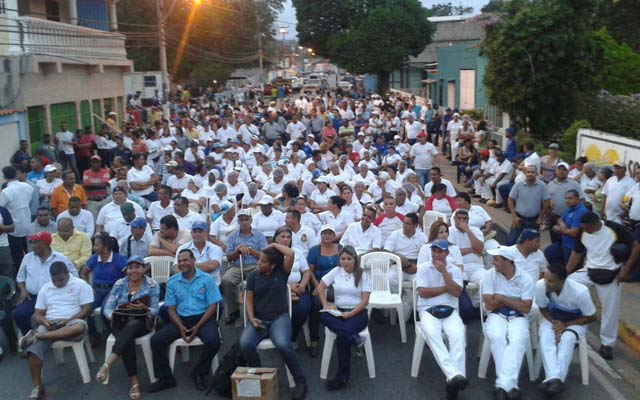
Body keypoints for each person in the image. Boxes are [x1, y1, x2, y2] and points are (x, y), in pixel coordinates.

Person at [565, 211, 640, 359]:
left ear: (595, 224)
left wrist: (625, 270)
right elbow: (577, 252)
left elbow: (636, 246)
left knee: (610, 309)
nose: (584, 230)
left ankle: (607, 344)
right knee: (567, 286)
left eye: (587, 228)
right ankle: (573, 331)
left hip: (611, 272)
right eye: (583, 228)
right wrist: (566, 272)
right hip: (589, 270)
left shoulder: (613, 228)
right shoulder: (583, 231)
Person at [240, 242, 309, 399]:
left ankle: (301, 382)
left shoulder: (281, 272)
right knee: (245, 344)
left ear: (273, 265)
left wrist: (272, 244)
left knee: (284, 345)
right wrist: (251, 319)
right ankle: (260, 378)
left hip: (279, 318)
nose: (259, 263)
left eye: (263, 261)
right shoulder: (253, 277)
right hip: (258, 318)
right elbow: (248, 301)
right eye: (259, 260)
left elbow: (290, 254)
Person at [149, 249, 222, 393]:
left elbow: (213, 305)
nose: (182, 263)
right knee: (156, 340)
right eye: (180, 261)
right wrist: (180, 326)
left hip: (203, 318)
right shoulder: (172, 281)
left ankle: (200, 372)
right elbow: (171, 308)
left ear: (194, 261)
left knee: (214, 341)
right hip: (181, 319)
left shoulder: (206, 279)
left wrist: (198, 326)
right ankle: (166, 378)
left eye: (185, 260)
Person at [18, 261, 93, 400]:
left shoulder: (80, 285)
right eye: (54, 280)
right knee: (32, 351)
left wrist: (68, 320)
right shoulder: (46, 288)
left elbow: (86, 309)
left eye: (61, 280)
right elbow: (37, 313)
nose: (58, 283)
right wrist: (44, 321)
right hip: (50, 323)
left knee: (79, 326)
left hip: (72, 322)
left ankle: (38, 336)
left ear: (67, 274)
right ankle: (37, 387)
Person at [98, 256, 161, 399]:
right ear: (126, 270)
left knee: (131, 327)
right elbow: (107, 308)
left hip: (142, 323)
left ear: (144, 268)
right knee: (128, 333)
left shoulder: (152, 285)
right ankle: (133, 382)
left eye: (137, 267)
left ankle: (107, 365)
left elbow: (155, 310)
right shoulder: (119, 284)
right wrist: (113, 316)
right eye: (131, 267)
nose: (134, 271)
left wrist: (144, 307)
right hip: (119, 321)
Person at [416, 239, 468, 399]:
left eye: (440, 251)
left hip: (450, 310)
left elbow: (457, 293)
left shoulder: (454, 270)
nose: (436, 254)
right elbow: (423, 293)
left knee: (458, 336)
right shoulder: (423, 268)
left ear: (447, 253)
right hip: (428, 310)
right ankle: (455, 375)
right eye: (434, 251)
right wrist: (447, 288)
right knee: (433, 336)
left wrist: (445, 273)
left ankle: (453, 382)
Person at [536, 263, 596, 397]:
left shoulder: (579, 292)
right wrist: (555, 323)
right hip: (553, 318)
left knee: (567, 339)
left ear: (562, 281)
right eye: (545, 278)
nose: (546, 283)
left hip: (576, 321)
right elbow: (543, 308)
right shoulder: (540, 285)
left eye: (551, 281)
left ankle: (553, 379)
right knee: (546, 337)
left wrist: (566, 325)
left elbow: (591, 316)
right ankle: (556, 380)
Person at [483, 245, 535, 400]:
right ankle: (510, 386)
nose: (493, 262)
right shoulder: (489, 275)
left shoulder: (525, 278)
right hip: (496, 315)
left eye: (497, 259)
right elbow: (489, 304)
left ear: (508, 261)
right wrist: (515, 301)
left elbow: (526, 308)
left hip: (518, 316)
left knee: (518, 340)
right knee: (497, 337)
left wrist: (502, 298)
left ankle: (501, 386)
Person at [317, 245, 371, 390]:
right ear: (339, 260)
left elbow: (365, 300)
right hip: (339, 311)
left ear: (355, 259)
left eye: (349, 259)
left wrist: (351, 313)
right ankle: (355, 338)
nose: (345, 262)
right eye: (343, 259)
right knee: (322, 315)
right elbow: (320, 287)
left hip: (358, 313)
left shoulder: (363, 274)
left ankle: (342, 378)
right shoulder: (336, 272)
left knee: (342, 336)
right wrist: (326, 304)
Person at [13, 231, 78, 335]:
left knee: (52, 317)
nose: (32, 245)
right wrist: (23, 291)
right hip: (33, 297)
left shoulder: (60, 258)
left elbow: (74, 276)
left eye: (34, 242)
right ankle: (31, 337)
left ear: (44, 244)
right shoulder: (28, 257)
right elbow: (20, 278)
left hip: (54, 297)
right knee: (19, 314)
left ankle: (50, 337)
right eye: (31, 242)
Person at [221, 209, 268, 324]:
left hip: (255, 265)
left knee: (262, 279)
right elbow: (229, 258)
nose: (244, 222)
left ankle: (259, 308)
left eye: (246, 219)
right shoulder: (232, 236)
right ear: (238, 221)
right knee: (226, 280)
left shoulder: (259, 235)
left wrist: (250, 251)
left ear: (251, 220)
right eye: (241, 220)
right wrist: (237, 252)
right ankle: (234, 310)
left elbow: (264, 255)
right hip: (237, 266)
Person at [82, 232, 127, 339]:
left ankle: (112, 333)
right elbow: (84, 273)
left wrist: (121, 288)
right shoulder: (94, 258)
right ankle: (94, 335)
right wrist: (89, 287)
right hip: (97, 290)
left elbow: (127, 275)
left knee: (105, 310)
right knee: (86, 310)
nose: (94, 247)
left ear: (105, 247)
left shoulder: (117, 258)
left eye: (97, 245)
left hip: (113, 290)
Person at [0, 166, 34, 271]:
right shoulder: (28, 187)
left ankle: (20, 276)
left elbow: (1, 208)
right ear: (15, 174)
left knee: (17, 257)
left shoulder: (6, 192)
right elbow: (29, 200)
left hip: (13, 228)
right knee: (29, 253)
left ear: (4, 176)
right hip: (27, 224)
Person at [507, 165, 550, 245]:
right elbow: (510, 199)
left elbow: (547, 201)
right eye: (528, 172)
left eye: (532, 172)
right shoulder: (518, 185)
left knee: (532, 244)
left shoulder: (542, 185)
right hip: (519, 219)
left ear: (536, 173)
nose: (530, 174)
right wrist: (514, 217)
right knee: (510, 241)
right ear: (525, 173)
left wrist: (541, 217)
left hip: (534, 221)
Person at [545, 190, 588, 264]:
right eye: (566, 198)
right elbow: (560, 219)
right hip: (564, 243)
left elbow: (574, 233)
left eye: (570, 198)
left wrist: (559, 230)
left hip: (573, 247)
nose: (567, 201)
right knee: (549, 252)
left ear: (577, 199)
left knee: (570, 269)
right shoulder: (571, 209)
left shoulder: (580, 211)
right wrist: (563, 225)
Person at [175, 221, 224, 285]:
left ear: (206, 233)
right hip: (188, 285)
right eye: (195, 232)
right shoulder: (182, 248)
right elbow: (177, 269)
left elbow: (211, 266)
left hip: (211, 286)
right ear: (191, 233)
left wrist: (187, 266)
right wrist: (205, 265)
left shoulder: (216, 248)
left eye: (200, 231)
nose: (197, 234)